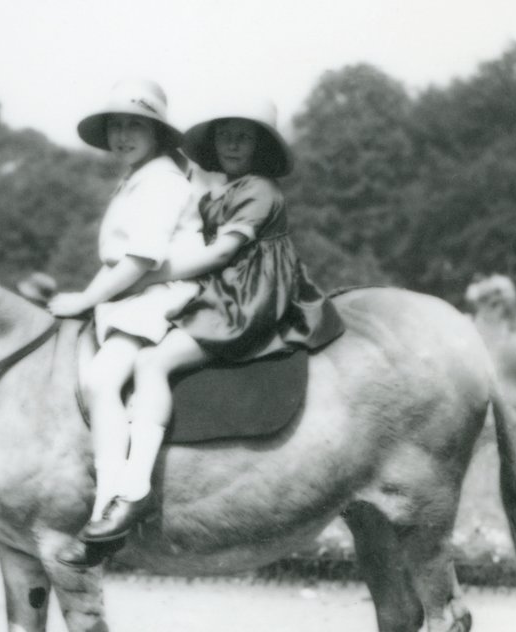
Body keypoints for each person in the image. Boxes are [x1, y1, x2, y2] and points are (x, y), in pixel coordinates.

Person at [61, 99, 345, 562]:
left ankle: (132, 492)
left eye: (245, 135)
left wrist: (144, 277)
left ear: (261, 146)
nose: (232, 143)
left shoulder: (260, 191)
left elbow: (217, 256)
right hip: (224, 289)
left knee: (153, 360)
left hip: (248, 297)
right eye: (225, 134)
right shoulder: (221, 191)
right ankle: (116, 489)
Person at [46, 78, 202, 557]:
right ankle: (107, 500)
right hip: (134, 294)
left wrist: (84, 300)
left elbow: (140, 260)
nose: (123, 136)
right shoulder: (138, 177)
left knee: (100, 379)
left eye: (136, 125)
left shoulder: (163, 181)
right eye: (116, 126)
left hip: (158, 290)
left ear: (158, 133)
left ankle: (122, 496)